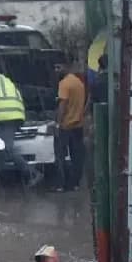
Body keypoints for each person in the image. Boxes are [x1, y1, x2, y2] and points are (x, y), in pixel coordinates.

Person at [0, 71, 40, 187]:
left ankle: (32, 173)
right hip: (14, 116)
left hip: (7, 118)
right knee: (1, 153)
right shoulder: (8, 83)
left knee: (6, 149)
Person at [54, 60, 88, 192]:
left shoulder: (64, 84)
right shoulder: (79, 83)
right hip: (78, 125)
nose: (56, 70)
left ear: (66, 67)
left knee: (60, 156)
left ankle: (61, 185)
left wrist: (58, 123)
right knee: (76, 156)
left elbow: (62, 106)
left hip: (65, 126)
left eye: (58, 67)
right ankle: (75, 184)